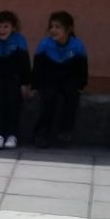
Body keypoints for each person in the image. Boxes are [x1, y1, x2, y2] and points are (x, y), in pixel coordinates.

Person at [32, 10, 88, 148]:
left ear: (68, 29)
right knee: (49, 98)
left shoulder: (77, 46)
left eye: (57, 27)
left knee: (71, 97)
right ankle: (42, 133)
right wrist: (35, 86)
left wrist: (80, 86)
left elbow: (82, 70)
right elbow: (38, 69)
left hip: (69, 81)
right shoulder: (45, 45)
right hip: (49, 81)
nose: (53, 30)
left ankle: (65, 132)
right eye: (51, 27)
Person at [0, 10, 31, 150]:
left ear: (13, 28)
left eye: (5, 27)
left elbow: (25, 65)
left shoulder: (19, 41)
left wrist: (24, 84)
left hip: (14, 80)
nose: (1, 30)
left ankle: (12, 135)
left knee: (13, 103)